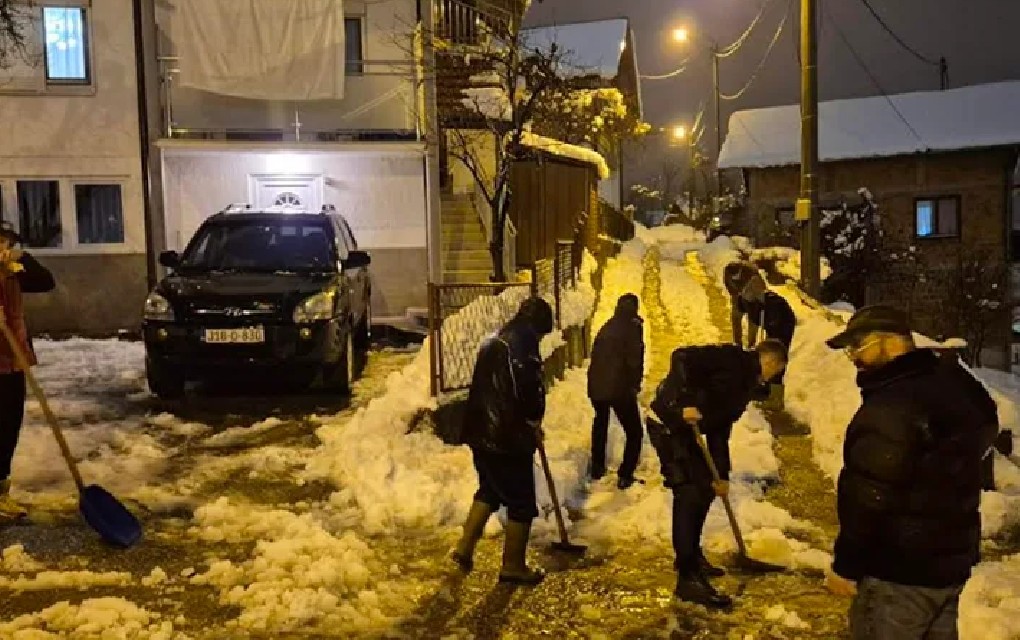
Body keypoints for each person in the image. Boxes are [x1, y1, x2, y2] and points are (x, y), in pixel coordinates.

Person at [823, 306, 996, 640]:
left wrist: (846, 566)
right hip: (950, 564)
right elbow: (985, 428)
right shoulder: (951, 385)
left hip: (898, 573)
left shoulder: (890, 406)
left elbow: (869, 495)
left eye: (857, 346)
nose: (852, 357)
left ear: (887, 342)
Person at [647, 339, 788, 608]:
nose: (774, 376)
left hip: (692, 430)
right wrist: (686, 402)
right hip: (669, 422)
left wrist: (721, 474)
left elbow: (720, 428)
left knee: (705, 489)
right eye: (777, 370)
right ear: (770, 361)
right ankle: (687, 578)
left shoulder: (745, 385)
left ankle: (692, 555)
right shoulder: (731, 359)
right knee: (688, 493)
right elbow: (681, 354)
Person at [451, 297, 554, 585]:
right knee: (521, 501)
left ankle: (464, 548)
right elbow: (529, 389)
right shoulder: (524, 346)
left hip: (479, 432)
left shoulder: (496, 339)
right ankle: (513, 566)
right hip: (506, 438)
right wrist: (533, 419)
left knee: (491, 489)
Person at [0, 221, 56, 520]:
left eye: (5, 243)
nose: (2, 248)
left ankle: (1, 493)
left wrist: (19, 265)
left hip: (13, 360)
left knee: (8, 427)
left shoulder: (16, 267)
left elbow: (46, 281)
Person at [587, 293, 645, 489]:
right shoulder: (633, 328)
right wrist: (634, 385)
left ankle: (597, 466)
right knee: (634, 431)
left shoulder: (608, 326)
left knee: (601, 422)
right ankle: (625, 474)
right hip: (619, 388)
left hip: (597, 385)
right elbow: (634, 361)